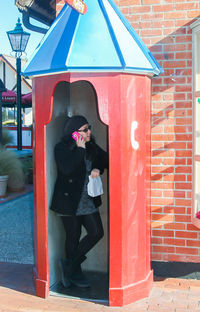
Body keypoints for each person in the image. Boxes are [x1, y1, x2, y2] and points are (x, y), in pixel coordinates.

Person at [51, 115, 108, 288]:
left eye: (88, 127)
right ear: (74, 133)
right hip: (68, 201)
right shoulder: (61, 148)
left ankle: (69, 266)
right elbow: (67, 169)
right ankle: (75, 272)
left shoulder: (92, 146)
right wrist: (80, 148)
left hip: (87, 200)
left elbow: (105, 160)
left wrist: (98, 168)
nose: (89, 131)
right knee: (73, 237)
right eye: (85, 130)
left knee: (97, 232)